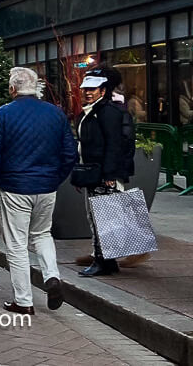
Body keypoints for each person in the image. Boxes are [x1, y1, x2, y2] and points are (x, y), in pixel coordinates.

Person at [0, 67, 77, 315]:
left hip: (14, 185)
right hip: (46, 185)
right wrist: (55, 178)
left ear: (12, 88)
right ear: (35, 87)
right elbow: (70, 152)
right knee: (42, 233)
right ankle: (52, 275)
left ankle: (24, 300)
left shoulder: (3, 114)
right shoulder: (55, 114)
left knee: (16, 244)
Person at [76, 67, 136, 277]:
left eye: (93, 89)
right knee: (98, 218)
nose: (87, 92)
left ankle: (103, 261)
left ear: (103, 90)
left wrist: (110, 175)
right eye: (85, 89)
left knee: (102, 219)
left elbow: (114, 145)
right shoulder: (93, 111)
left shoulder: (107, 112)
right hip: (95, 173)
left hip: (103, 174)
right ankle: (105, 260)